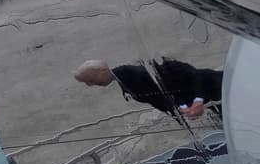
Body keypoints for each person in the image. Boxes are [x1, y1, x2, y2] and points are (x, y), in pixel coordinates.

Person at [74, 58, 223, 118]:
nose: (91, 85)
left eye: (91, 80)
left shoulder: (133, 73)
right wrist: (183, 108)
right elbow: (164, 97)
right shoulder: (123, 80)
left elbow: (189, 73)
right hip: (206, 98)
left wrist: (197, 100)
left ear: (102, 71)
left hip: (214, 86)